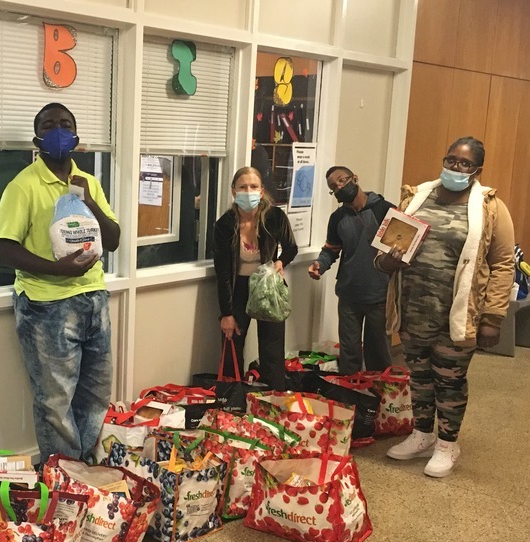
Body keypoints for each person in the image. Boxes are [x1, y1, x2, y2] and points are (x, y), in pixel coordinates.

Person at [0, 102, 120, 466]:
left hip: (93, 299)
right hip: (46, 306)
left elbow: (112, 239)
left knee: (95, 395)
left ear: (77, 137)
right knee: (55, 402)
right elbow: (2, 247)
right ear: (37, 138)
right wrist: (56, 269)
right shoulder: (23, 186)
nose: (58, 131)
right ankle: (65, 480)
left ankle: (87, 471)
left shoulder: (89, 182)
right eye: (49, 126)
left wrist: (90, 201)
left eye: (65, 124)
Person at [378, 137, 514, 477]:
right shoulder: (417, 196)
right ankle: (423, 434)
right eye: (450, 160)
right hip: (412, 308)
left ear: (477, 170)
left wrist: (494, 318)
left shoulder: (490, 207)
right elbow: (386, 248)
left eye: (464, 163)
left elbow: (502, 265)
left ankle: (447, 444)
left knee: (450, 380)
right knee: (420, 377)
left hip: (456, 312)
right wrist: (387, 263)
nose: (455, 167)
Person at [213, 166, 298, 391]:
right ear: (233, 192)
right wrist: (226, 314)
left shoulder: (275, 217)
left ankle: (272, 400)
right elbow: (222, 273)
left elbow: (291, 248)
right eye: (242, 187)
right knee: (232, 346)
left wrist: (280, 263)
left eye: (253, 187)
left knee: (272, 350)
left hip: (268, 288)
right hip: (238, 289)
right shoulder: (224, 225)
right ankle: (233, 400)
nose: (248, 191)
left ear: (261, 192)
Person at [308, 166, 394, 374]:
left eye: (341, 180)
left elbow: (404, 245)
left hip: (379, 296)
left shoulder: (385, 210)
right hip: (349, 296)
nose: (338, 187)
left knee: (378, 355)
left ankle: (378, 398)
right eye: (333, 186)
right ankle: (351, 397)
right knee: (350, 354)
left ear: (355, 178)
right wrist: (320, 264)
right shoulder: (337, 218)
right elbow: (331, 250)